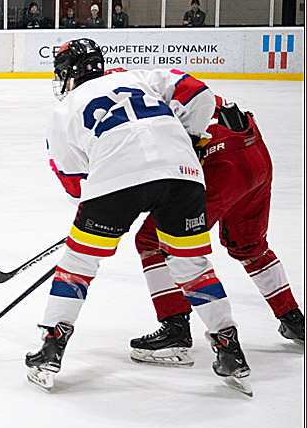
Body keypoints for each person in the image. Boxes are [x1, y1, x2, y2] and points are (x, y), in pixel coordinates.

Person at [27, 38, 251, 394]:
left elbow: (74, 188)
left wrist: (101, 205)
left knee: (79, 264)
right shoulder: (140, 78)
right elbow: (198, 92)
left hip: (115, 182)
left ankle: (52, 347)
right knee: (193, 266)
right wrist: (189, 139)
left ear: (68, 73)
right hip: (184, 175)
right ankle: (229, 348)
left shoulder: (64, 111)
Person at [130, 93, 304, 363]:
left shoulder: (118, 106)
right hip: (252, 148)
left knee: (152, 239)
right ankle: (293, 319)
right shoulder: (147, 85)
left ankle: (175, 329)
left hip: (219, 162)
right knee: (249, 244)